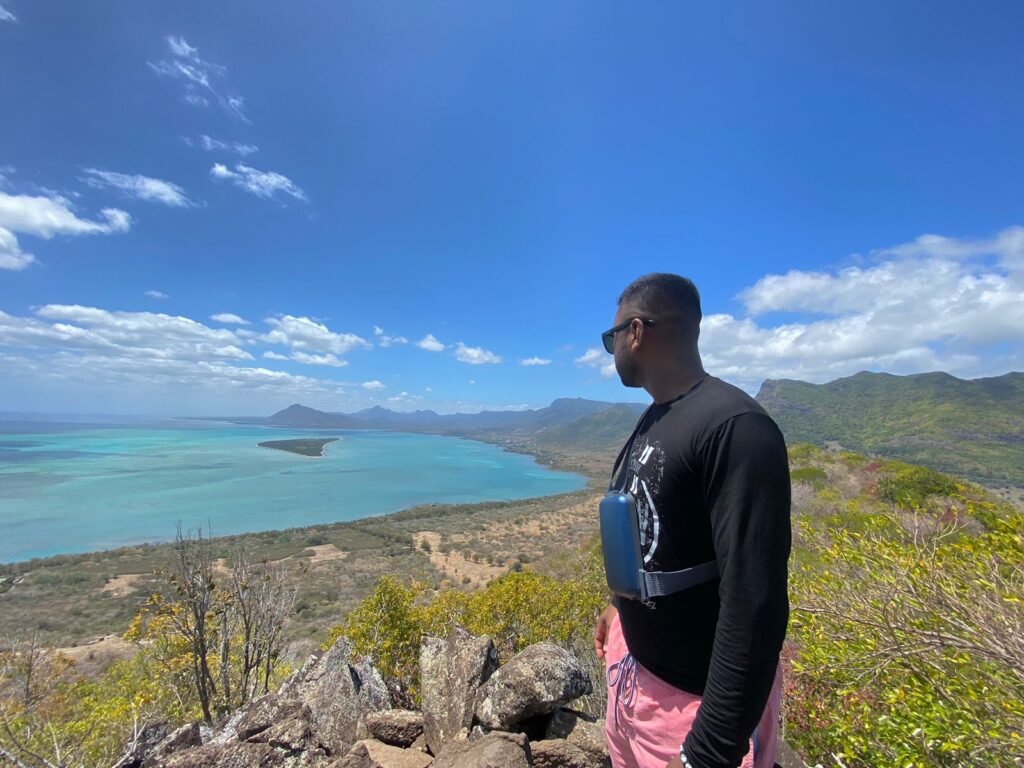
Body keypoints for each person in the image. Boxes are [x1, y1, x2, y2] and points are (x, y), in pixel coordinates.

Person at [593, 273, 791, 768]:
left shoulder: (735, 429)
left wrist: (711, 748)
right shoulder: (659, 416)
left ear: (635, 332)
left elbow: (755, 605)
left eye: (610, 336)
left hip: (690, 706)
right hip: (635, 675)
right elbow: (662, 535)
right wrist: (621, 608)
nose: (611, 348)